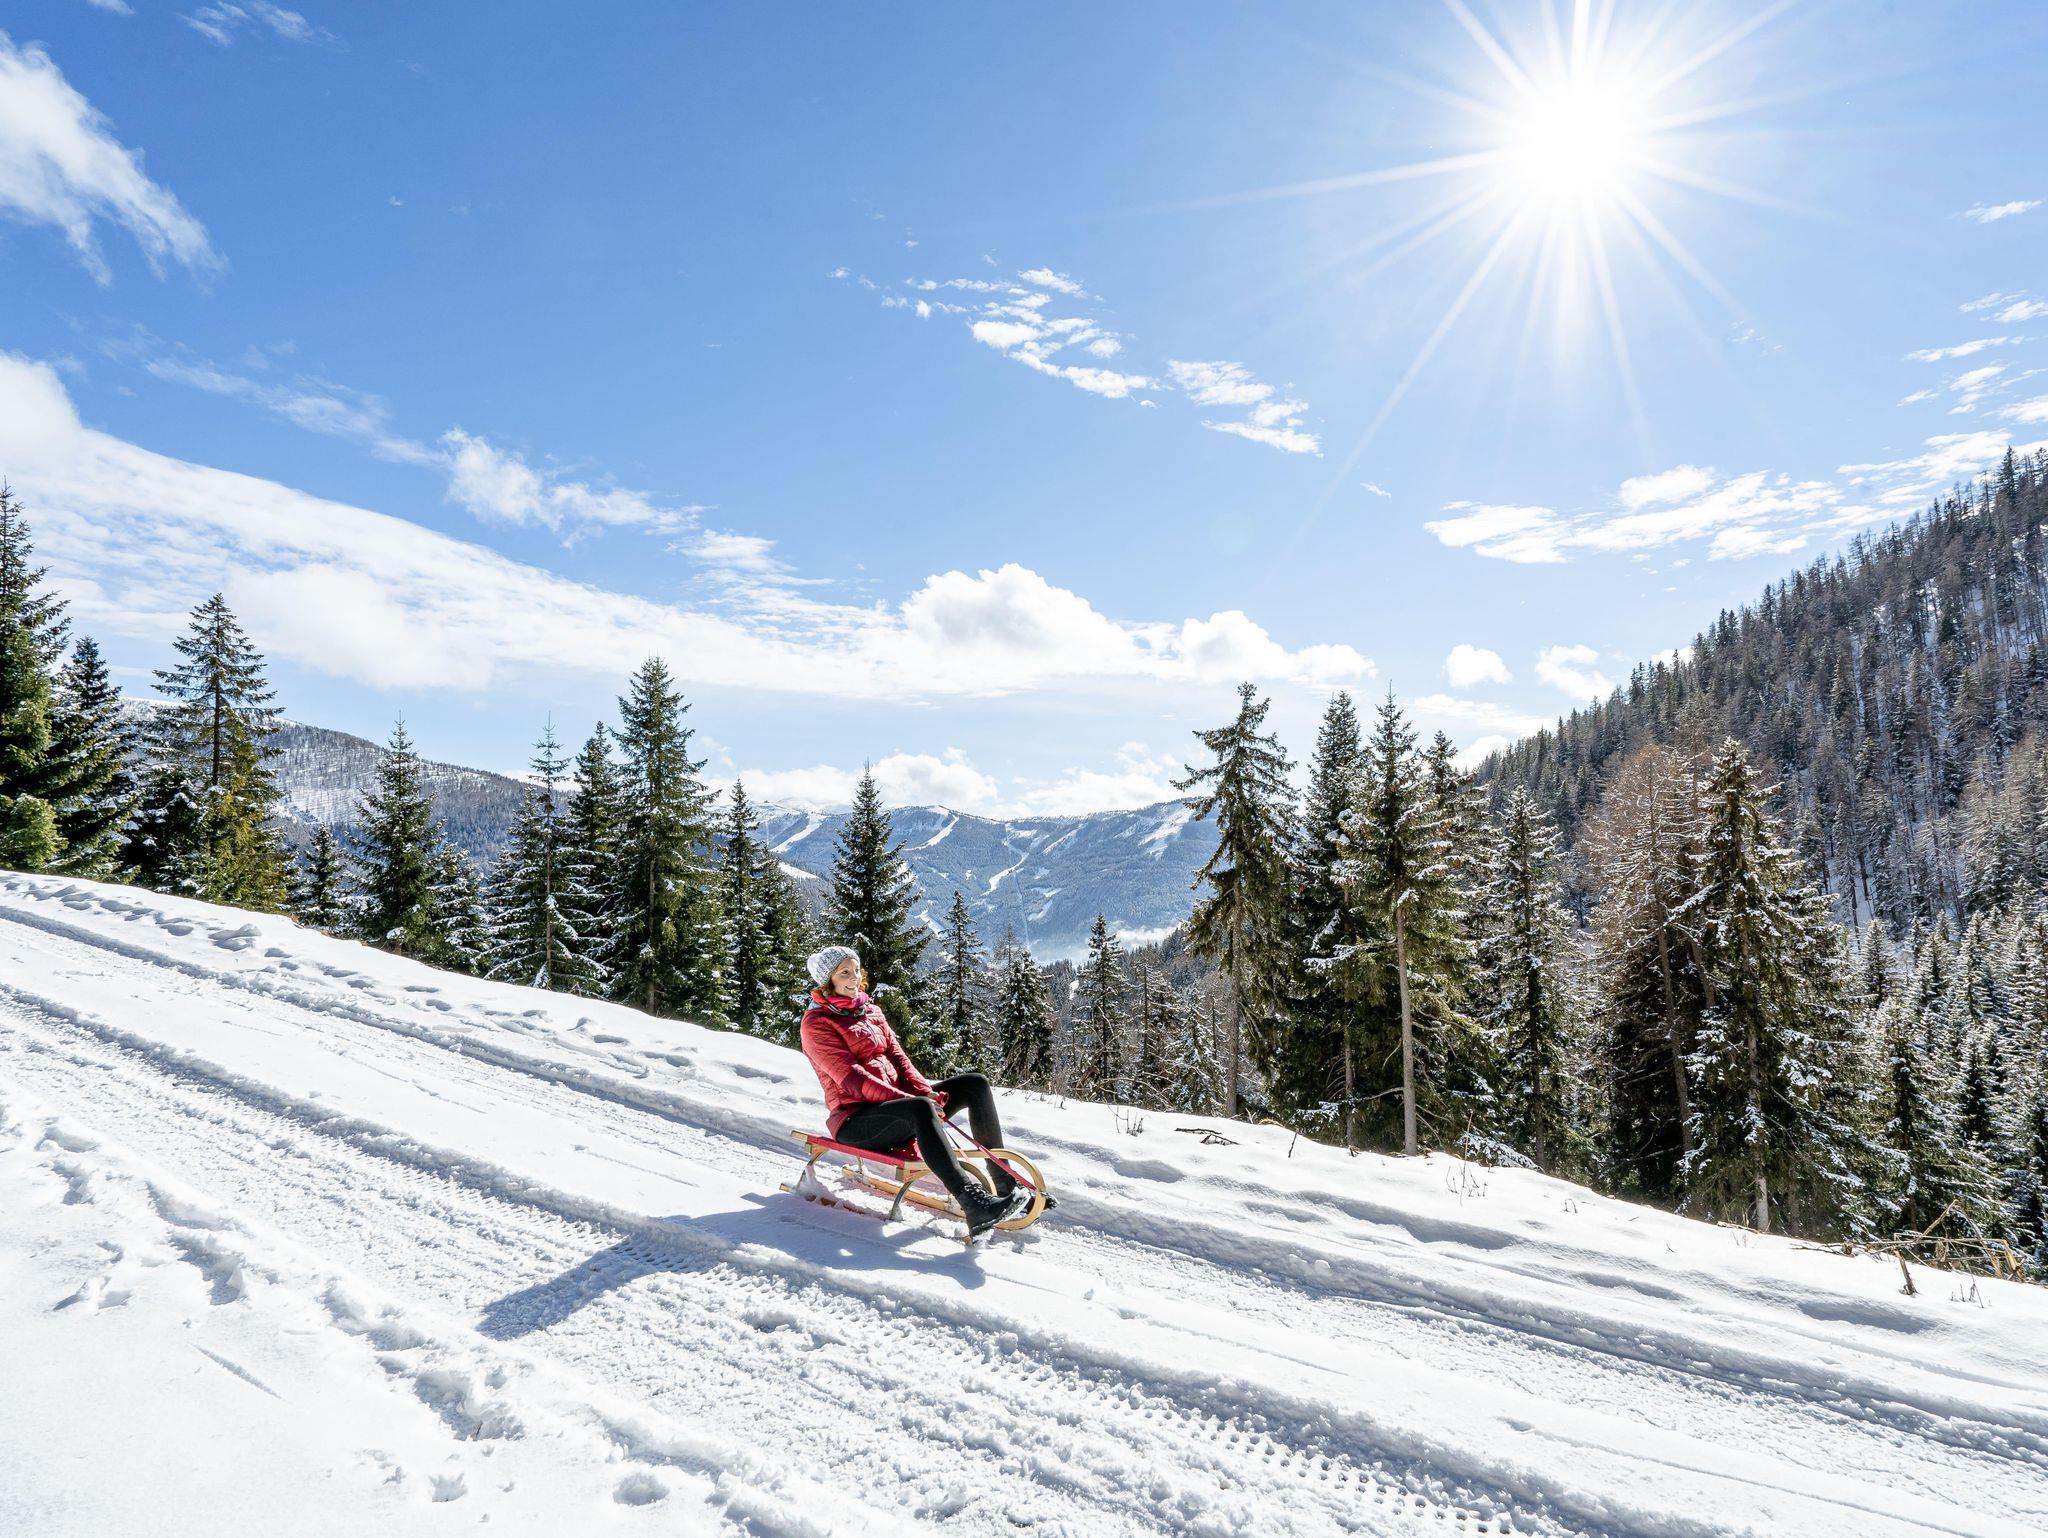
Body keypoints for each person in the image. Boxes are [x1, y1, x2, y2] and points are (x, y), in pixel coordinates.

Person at [798, 944, 1033, 1238]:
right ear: (828, 981)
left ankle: (1007, 1187)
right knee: (920, 1108)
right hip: (855, 1120)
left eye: (856, 970)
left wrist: (925, 1091)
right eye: (844, 972)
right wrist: (914, 1100)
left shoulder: (870, 1011)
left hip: (899, 1108)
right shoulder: (816, 1024)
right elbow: (853, 1080)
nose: (854, 977)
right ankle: (974, 1204)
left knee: (975, 1084)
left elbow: (899, 1059)